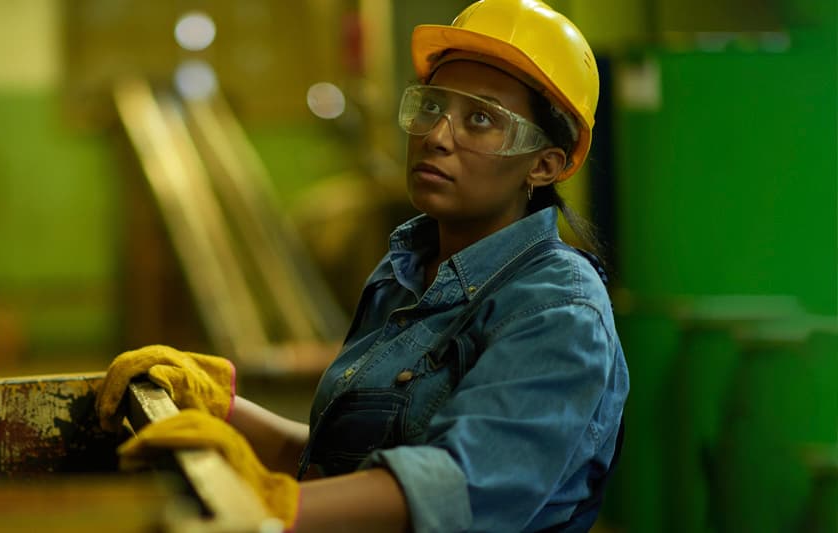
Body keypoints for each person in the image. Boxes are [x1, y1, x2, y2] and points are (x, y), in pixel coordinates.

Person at [96, 0, 629, 531]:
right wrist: (221, 407)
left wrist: (270, 506)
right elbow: (344, 467)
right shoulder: (404, 276)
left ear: (545, 163)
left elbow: (455, 486)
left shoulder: (559, 310)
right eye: (431, 105)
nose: (437, 136)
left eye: (481, 119)